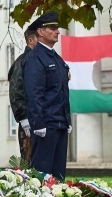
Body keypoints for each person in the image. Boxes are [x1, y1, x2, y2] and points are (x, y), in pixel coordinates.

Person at [22, 11, 71, 180]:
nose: (57, 31)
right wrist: (38, 124)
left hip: (59, 122)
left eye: (57, 28)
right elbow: (33, 94)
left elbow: (62, 91)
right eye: (52, 28)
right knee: (42, 176)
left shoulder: (56, 58)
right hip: (46, 125)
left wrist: (67, 120)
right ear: (40, 32)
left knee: (58, 176)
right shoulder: (35, 58)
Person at [8, 28, 38, 164]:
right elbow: (16, 91)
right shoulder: (23, 61)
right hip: (29, 121)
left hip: (40, 119)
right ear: (31, 40)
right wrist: (23, 117)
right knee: (29, 162)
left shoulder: (37, 60)